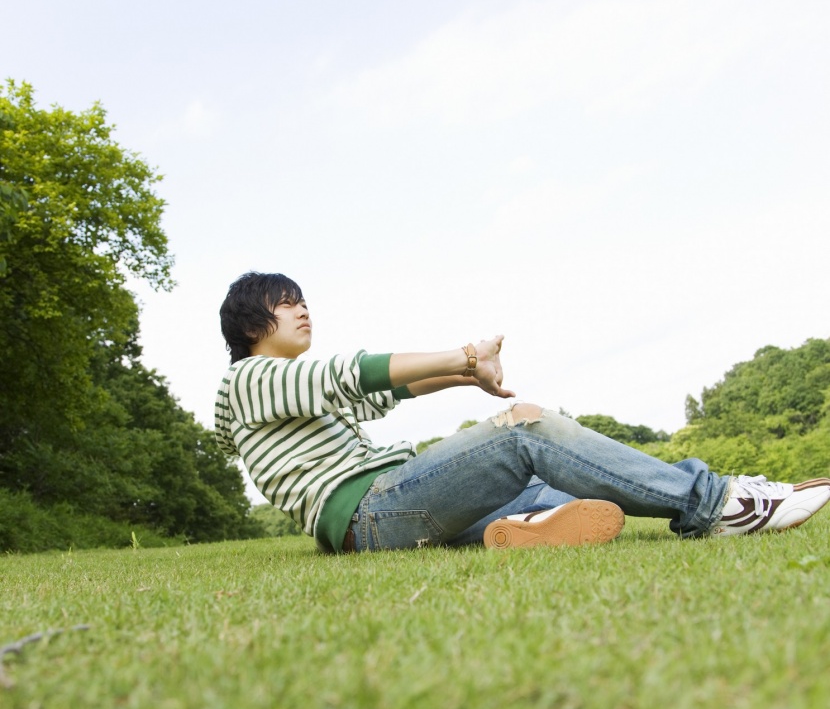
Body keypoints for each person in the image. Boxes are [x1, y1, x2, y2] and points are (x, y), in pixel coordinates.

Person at [215, 272, 830, 554]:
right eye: (286, 304)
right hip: (371, 512)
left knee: (545, 480)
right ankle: (720, 503)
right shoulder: (249, 380)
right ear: (251, 324)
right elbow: (356, 372)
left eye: (303, 302)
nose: (303, 312)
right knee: (524, 427)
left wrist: (465, 377)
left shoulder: (285, 391)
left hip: (386, 515)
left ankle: (524, 530)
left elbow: (382, 395)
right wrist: (463, 352)